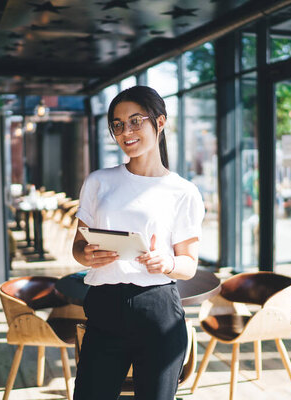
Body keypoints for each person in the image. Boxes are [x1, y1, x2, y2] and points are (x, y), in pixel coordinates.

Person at [71, 86, 205, 400]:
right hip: (104, 306)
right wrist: (87, 254)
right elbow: (78, 247)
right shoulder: (98, 181)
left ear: (159, 123)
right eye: (117, 125)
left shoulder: (183, 192)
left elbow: (188, 265)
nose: (125, 132)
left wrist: (167, 262)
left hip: (158, 310)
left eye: (135, 121)